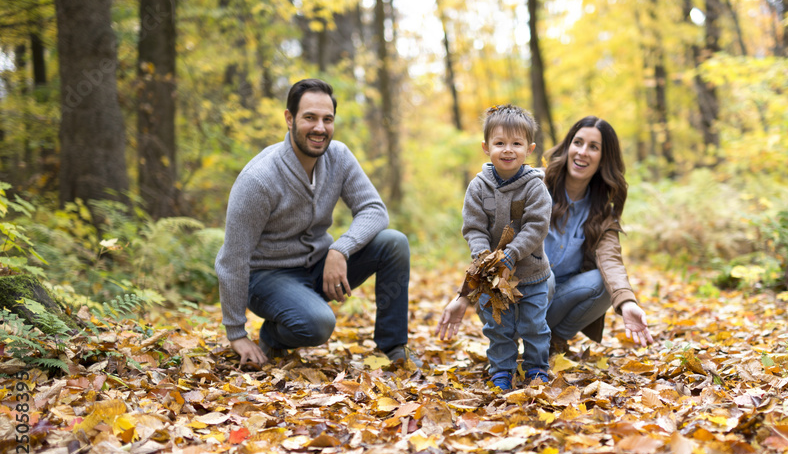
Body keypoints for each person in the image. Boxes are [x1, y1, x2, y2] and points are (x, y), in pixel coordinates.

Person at [215, 78, 416, 366]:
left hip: (319, 266)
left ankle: (392, 347)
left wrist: (340, 249)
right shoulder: (258, 180)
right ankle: (273, 336)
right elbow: (232, 259)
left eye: (327, 119)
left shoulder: (339, 157)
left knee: (393, 243)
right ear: (289, 119)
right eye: (309, 117)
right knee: (318, 323)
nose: (320, 128)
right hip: (268, 278)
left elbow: (374, 210)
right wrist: (236, 333)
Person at [437, 104, 553, 391]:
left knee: (533, 326)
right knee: (498, 326)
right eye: (500, 143)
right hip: (491, 278)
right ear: (486, 147)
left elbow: (536, 227)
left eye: (516, 143)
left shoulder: (535, 187)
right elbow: (473, 227)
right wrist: (482, 255)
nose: (508, 150)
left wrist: (511, 254)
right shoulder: (478, 187)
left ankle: (537, 368)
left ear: (530, 148)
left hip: (532, 275)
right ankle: (501, 369)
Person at [543, 116, 652, 354]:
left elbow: (611, 261)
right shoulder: (535, 185)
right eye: (578, 142)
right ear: (568, 146)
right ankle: (509, 340)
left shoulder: (601, 210)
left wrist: (627, 302)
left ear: (604, 159)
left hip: (559, 300)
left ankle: (554, 341)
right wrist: (465, 294)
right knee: (545, 277)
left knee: (605, 282)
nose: (583, 152)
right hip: (521, 295)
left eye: (594, 147)